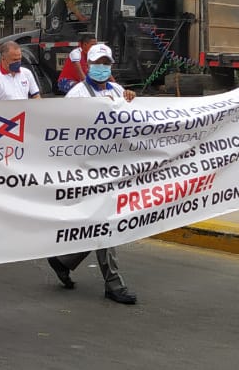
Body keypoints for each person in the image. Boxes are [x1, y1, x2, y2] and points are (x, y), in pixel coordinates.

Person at [46, 43, 139, 305]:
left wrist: (132, 98)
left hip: (113, 169)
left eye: (106, 63)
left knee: (99, 224)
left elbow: (132, 120)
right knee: (105, 223)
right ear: (88, 65)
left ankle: (64, 260)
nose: (102, 68)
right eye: (98, 63)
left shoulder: (117, 90)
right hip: (88, 170)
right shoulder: (76, 95)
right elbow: (63, 131)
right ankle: (114, 284)